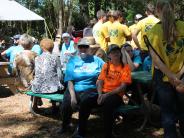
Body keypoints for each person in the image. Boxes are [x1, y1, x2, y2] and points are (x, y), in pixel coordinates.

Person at [147, 0, 184, 137]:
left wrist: (171, 77)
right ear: (174, 9)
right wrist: (179, 75)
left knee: (167, 114)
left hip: (163, 77)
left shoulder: (153, 31)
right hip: (182, 76)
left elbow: (156, 61)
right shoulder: (183, 26)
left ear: (157, 10)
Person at [58, 37, 104, 137]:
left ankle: (81, 130)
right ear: (77, 48)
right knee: (66, 103)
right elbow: (69, 80)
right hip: (74, 88)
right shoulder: (72, 60)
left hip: (91, 88)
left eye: (85, 47)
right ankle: (65, 125)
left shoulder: (97, 60)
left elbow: (108, 70)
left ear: (90, 48)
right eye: (81, 47)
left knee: (85, 103)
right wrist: (73, 96)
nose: (83, 49)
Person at [97, 44, 132, 138]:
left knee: (107, 105)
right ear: (109, 55)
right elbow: (99, 81)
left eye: (117, 51)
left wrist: (105, 95)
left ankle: (107, 134)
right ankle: (80, 131)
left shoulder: (125, 67)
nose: (116, 53)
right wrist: (100, 94)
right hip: (104, 93)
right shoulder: (106, 65)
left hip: (116, 95)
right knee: (86, 101)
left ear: (120, 53)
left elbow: (123, 87)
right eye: (113, 52)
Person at [31, 38, 64, 111]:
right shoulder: (55, 57)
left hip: (36, 88)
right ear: (52, 47)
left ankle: (35, 105)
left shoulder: (37, 58)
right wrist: (61, 82)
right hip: (52, 89)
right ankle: (55, 105)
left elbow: (37, 73)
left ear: (41, 47)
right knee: (60, 83)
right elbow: (60, 74)